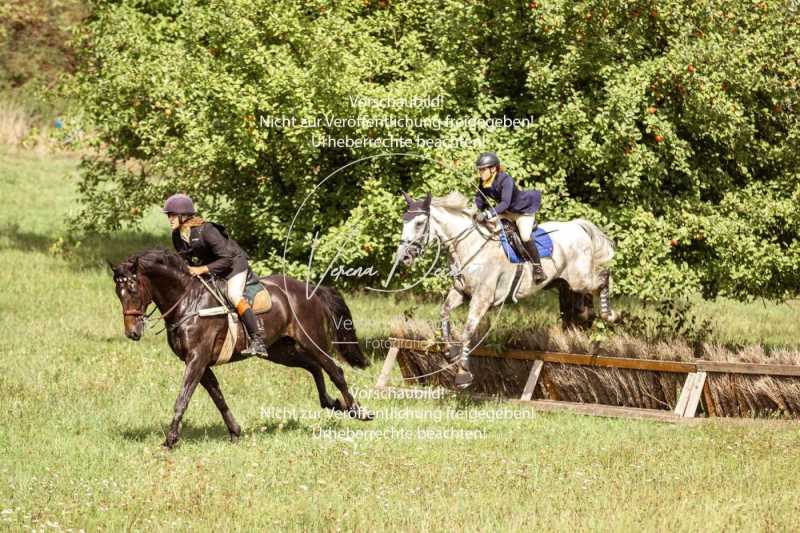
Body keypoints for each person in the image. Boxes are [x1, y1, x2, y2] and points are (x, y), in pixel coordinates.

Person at [162, 193, 269, 357]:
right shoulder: (177, 235)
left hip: (234, 266)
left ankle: (257, 340)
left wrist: (202, 269)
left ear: (184, 216)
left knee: (234, 295)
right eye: (169, 216)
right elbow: (186, 260)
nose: (170, 219)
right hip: (212, 270)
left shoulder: (207, 230)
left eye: (173, 215)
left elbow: (226, 258)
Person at [473, 152, 546, 282]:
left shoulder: (506, 180)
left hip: (523, 212)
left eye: (483, 169)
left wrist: (487, 213)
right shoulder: (484, 181)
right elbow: (480, 199)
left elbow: (505, 202)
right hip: (506, 212)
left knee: (524, 236)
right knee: (486, 226)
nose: (480, 172)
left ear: (493, 168)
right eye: (479, 169)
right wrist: (477, 211)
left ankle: (538, 268)